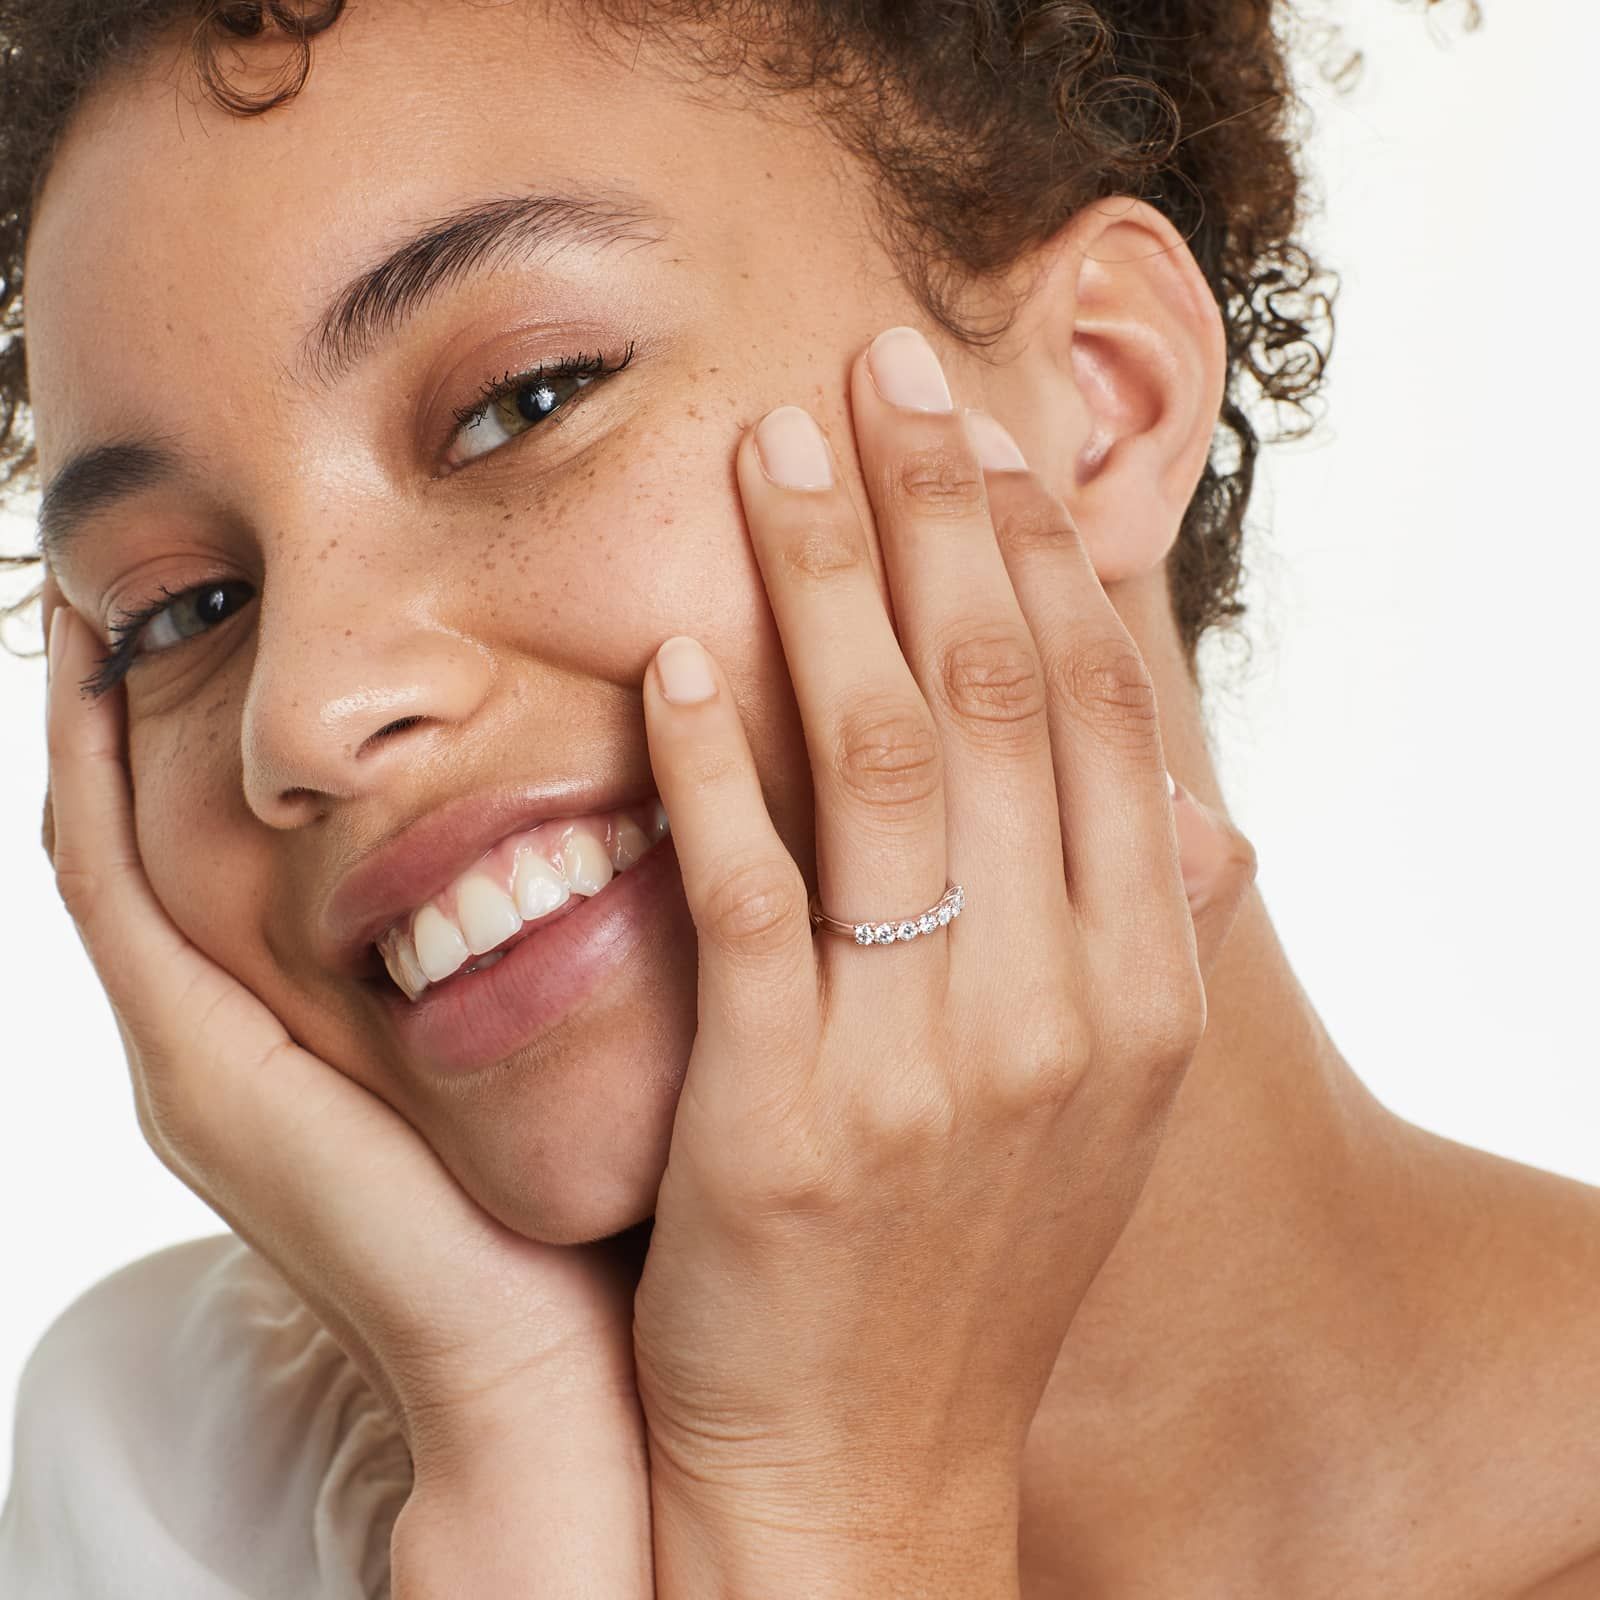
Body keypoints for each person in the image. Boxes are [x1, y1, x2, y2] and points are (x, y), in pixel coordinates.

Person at [3, 1, 1596, 1596]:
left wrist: (831, 1517)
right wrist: (518, 1438)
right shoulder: (162, 1482)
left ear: (1103, 395)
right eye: (180, 610)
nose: (309, 710)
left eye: (528, 401)